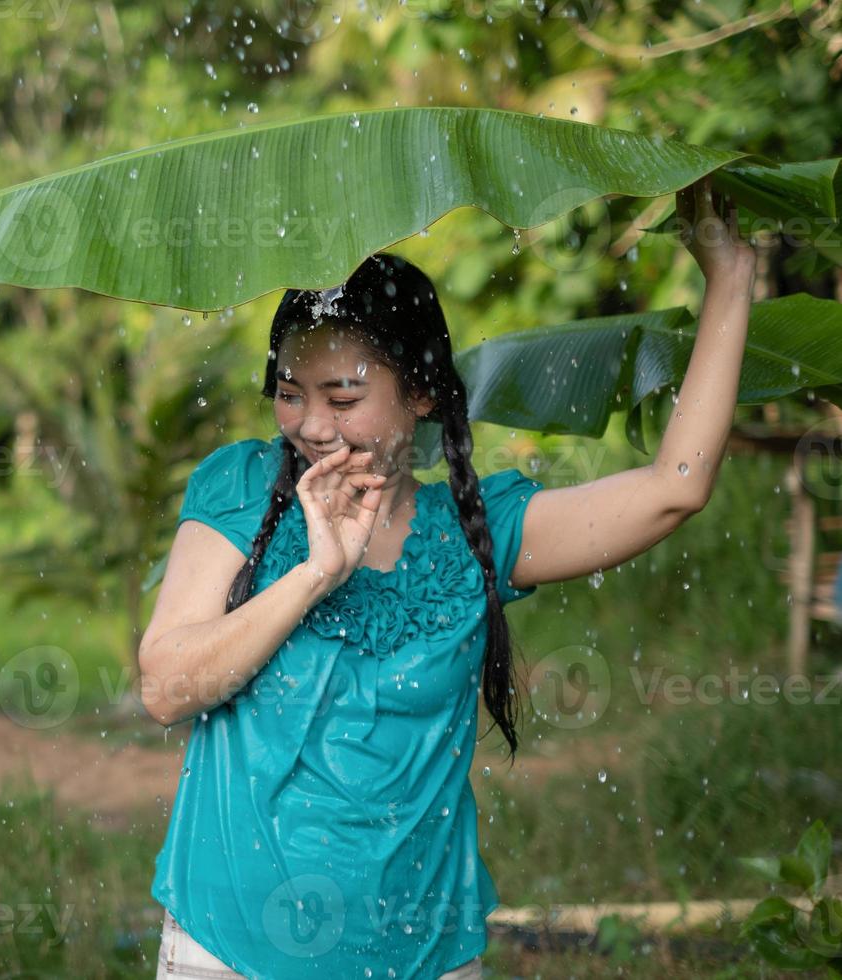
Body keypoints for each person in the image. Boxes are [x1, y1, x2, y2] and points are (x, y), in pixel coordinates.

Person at [137, 175, 756, 979]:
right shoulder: (243, 490)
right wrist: (316, 574)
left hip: (426, 958)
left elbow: (674, 488)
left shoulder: (476, 533)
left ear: (421, 394)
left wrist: (732, 280)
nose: (311, 426)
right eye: (289, 393)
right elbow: (166, 687)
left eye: (343, 396)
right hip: (229, 950)